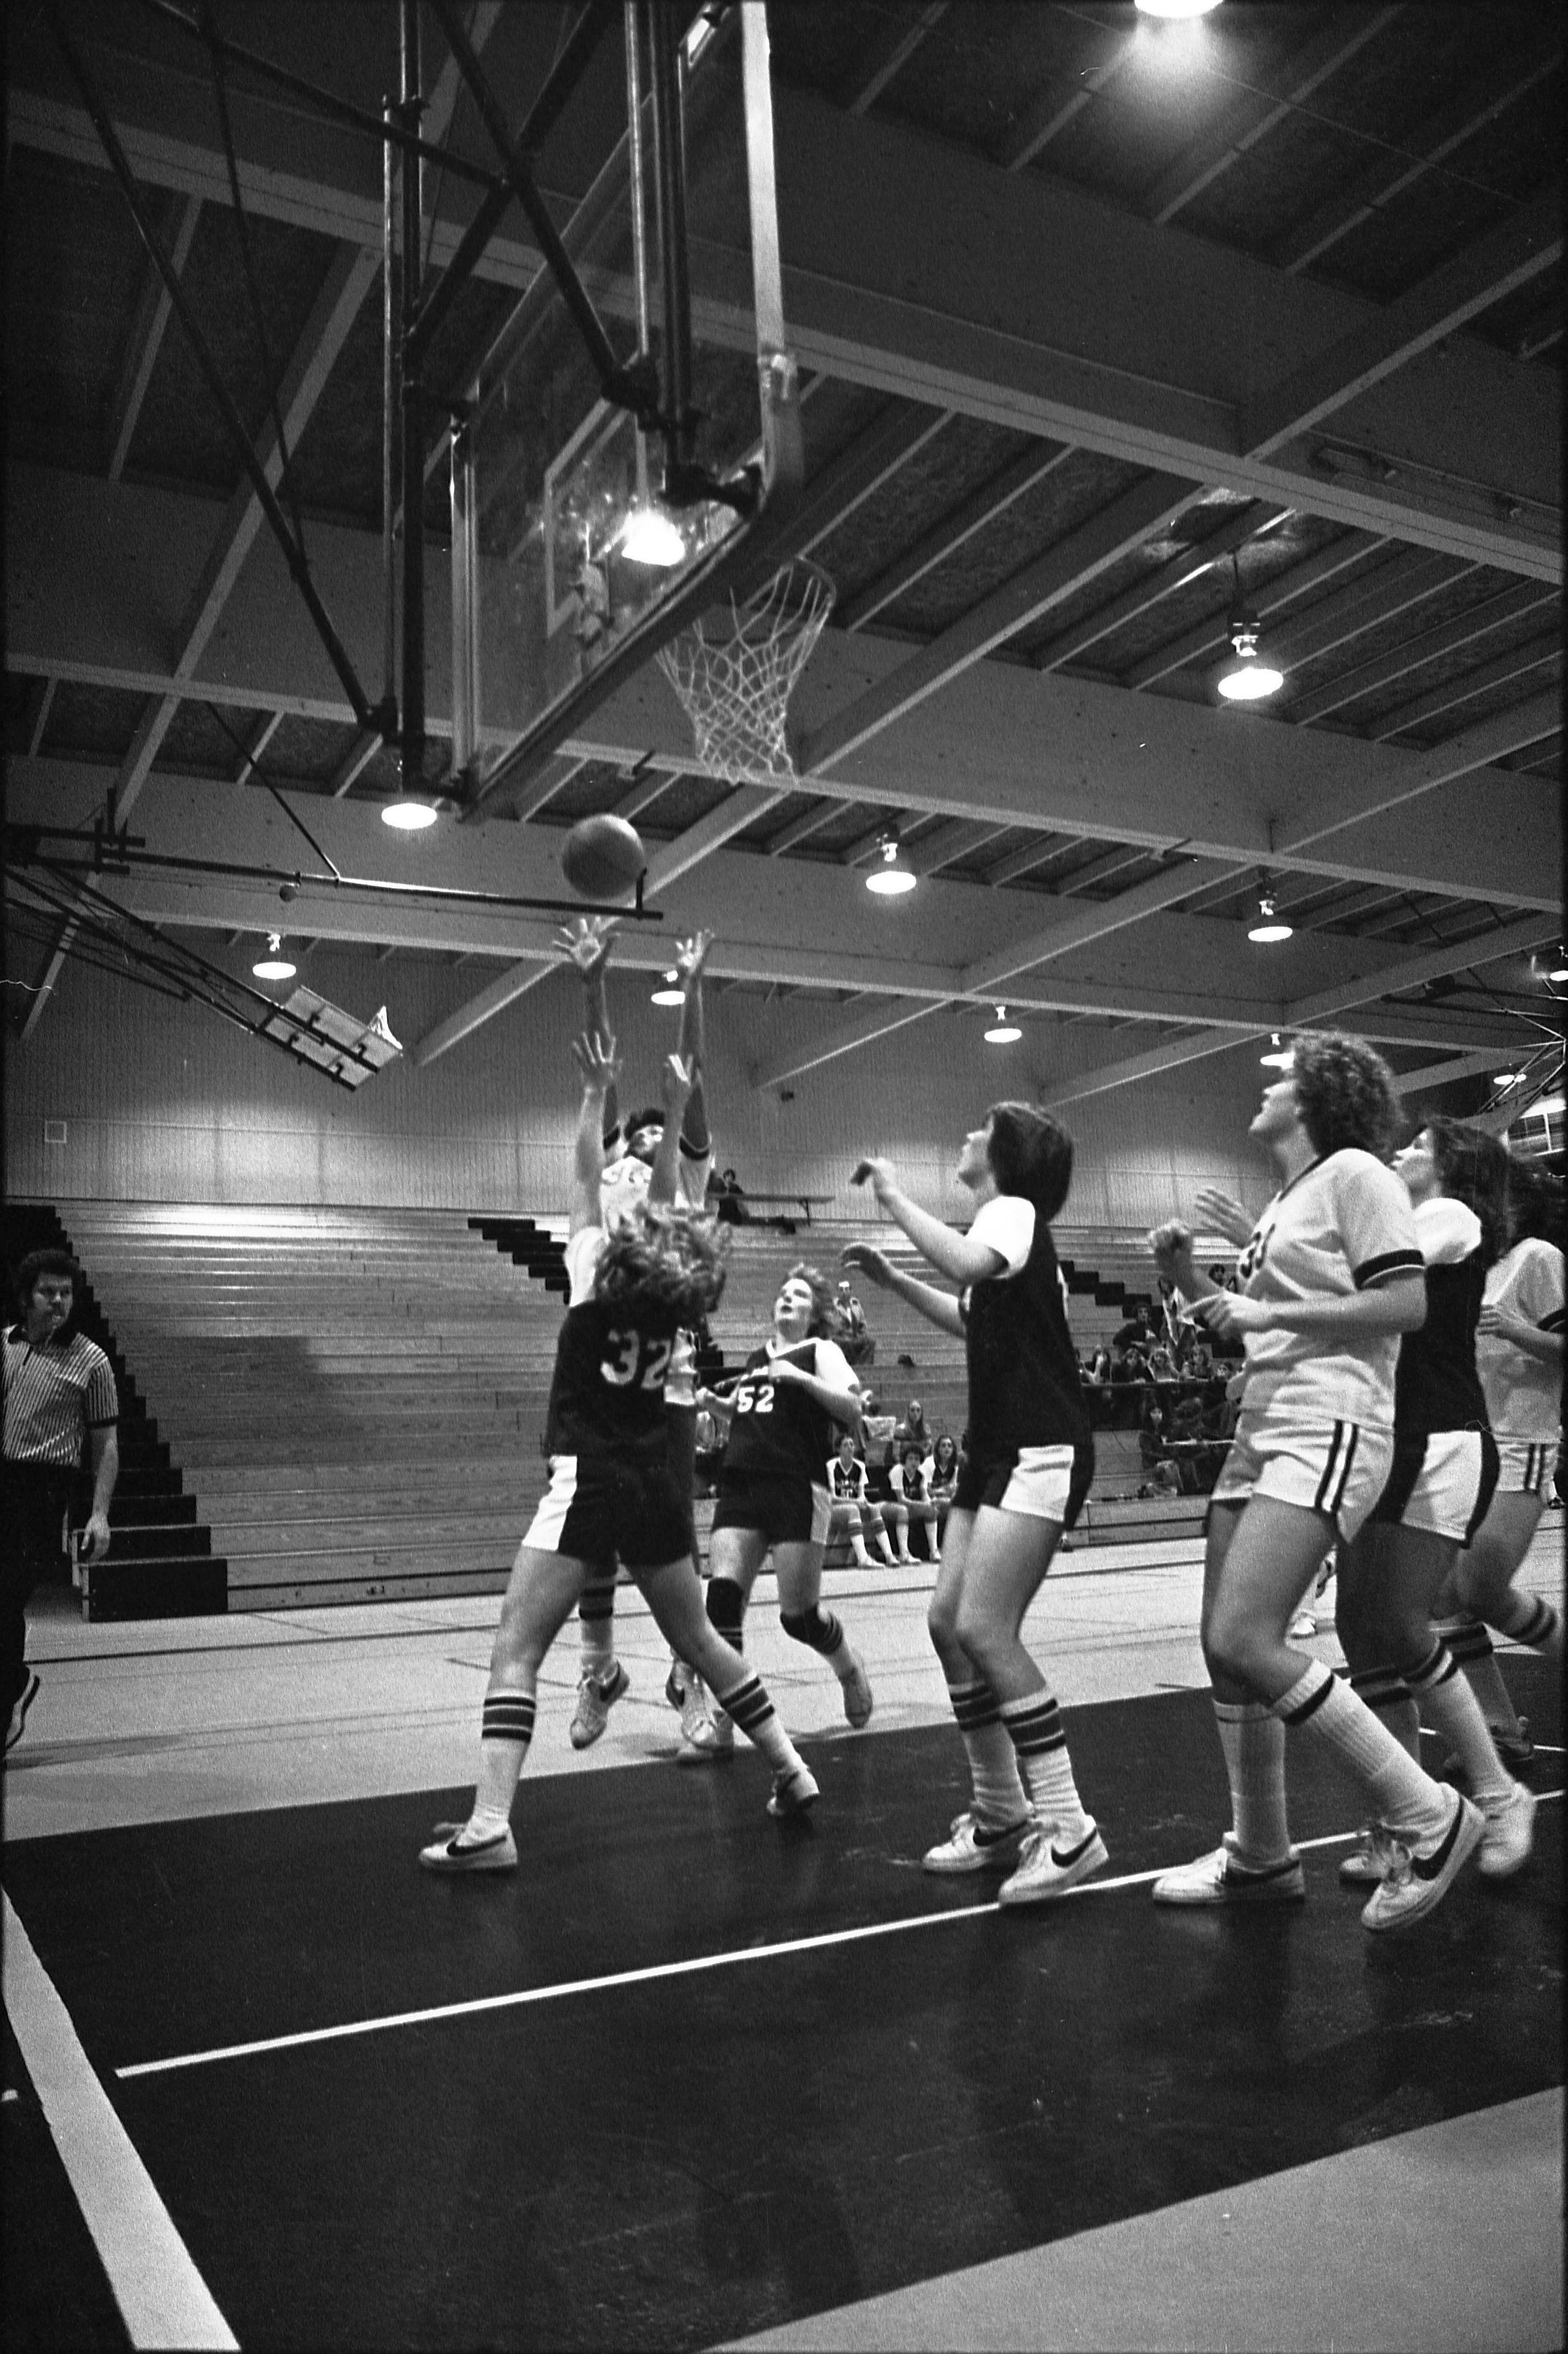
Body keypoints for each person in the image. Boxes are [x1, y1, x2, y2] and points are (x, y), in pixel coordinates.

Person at [419, 1035, 817, 1872]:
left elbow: (581, 1173)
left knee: (515, 1650)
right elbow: (666, 1199)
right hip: (653, 1481)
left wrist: (595, 1092)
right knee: (702, 1641)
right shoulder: (672, 1291)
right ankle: (791, 1766)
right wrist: (669, 1107)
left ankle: (490, 1823)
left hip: (590, 1475)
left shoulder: (591, 1262)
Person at [1146, 1033, 1488, 1934]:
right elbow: (1250, 1326)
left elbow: (1405, 1303)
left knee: (1248, 1635)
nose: (1266, 1085)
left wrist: (1267, 1306)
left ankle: (1431, 1813)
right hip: (1263, 1419)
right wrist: (1186, 1276)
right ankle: (1261, 1852)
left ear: (1319, 1096)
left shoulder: (1358, 1174)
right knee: (1224, 1649)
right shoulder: (1287, 1199)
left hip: (1328, 1418)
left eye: (1284, 1076)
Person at [843, 1104, 1107, 1910]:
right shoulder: (1011, 1235)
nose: (964, 1135)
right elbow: (968, 1313)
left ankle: (1068, 1826)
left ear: (1008, 1154)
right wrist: (894, 1283)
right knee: (947, 1622)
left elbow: (963, 1264)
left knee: (986, 1628)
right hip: (997, 1446)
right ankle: (999, 1810)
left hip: (1040, 1441)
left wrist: (892, 1196)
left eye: (980, 1128)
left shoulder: (1013, 1209)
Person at [1332, 1119, 1533, 1886]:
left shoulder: (1451, 1216)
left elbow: (1359, 1277)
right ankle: (1407, 1814)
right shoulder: (1407, 1220)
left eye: (1419, 1146)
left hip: (1442, 1438)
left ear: (1455, 1168)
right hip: (1387, 1440)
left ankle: (1500, 1793)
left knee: (1402, 1622)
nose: (1401, 1152)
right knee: (1360, 1630)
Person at [553, 917, 716, 1752]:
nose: (651, 1136)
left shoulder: (685, 1177)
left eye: (662, 1131)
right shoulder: (611, 1165)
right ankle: (599, 1667)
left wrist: (692, 989)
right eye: (641, 1132)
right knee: (588, 1528)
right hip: (598, 1359)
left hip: (667, 1374)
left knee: (672, 1532)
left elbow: (690, 1071)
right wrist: (592, 983)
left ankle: (691, 1675)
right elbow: (601, 1073)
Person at [680, 1263, 872, 1759]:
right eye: (783, 1292)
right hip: (742, 1482)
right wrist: (717, 1407)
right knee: (723, 1600)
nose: (787, 1298)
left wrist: (799, 1377)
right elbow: (753, 1412)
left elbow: (852, 1410)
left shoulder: (820, 1351)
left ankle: (848, 1667)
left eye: (799, 1294)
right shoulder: (755, 1358)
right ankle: (725, 1717)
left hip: (796, 1485)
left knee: (798, 1617)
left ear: (814, 1313)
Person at [1435, 1155, 1563, 1768]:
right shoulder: (1474, 1269)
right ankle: (1501, 1726)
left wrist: (1515, 1329)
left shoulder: (1539, 1258)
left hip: (1523, 1444)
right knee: (1446, 1599)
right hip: (1477, 1446)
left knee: (1481, 1590)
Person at [4, 1249, 119, 1754]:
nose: (57, 1301)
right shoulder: (4, 1346)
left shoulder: (91, 1361)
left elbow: (106, 1444)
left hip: (42, 1488)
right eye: (47, 1292)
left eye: (66, 1293)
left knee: (7, 1594)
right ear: (26, 1297)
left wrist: (99, 1515)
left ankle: (13, 1688)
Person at [825, 1432, 896, 1567]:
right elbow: (832, 1499)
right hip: (833, 1509)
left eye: (852, 1444)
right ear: (838, 1449)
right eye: (845, 1445)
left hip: (854, 1506)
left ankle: (889, 1555)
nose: (850, 1448)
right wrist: (856, 1502)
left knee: (874, 1508)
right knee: (853, 1509)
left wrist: (864, 1502)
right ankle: (863, 1558)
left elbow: (861, 1495)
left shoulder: (860, 1466)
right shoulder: (831, 1466)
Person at [885, 1442, 942, 1564]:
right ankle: (904, 1554)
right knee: (903, 1510)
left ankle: (934, 1551)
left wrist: (930, 1503)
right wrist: (923, 1505)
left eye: (917, 1459)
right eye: (910, 1458)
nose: (914, 1462)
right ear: (904, 1460)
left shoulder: (921, 1474)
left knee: (932, 1511)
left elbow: (924, 1494)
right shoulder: (897, 1471)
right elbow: (901, 1499)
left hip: (908, 1507)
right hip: (888, 1505)